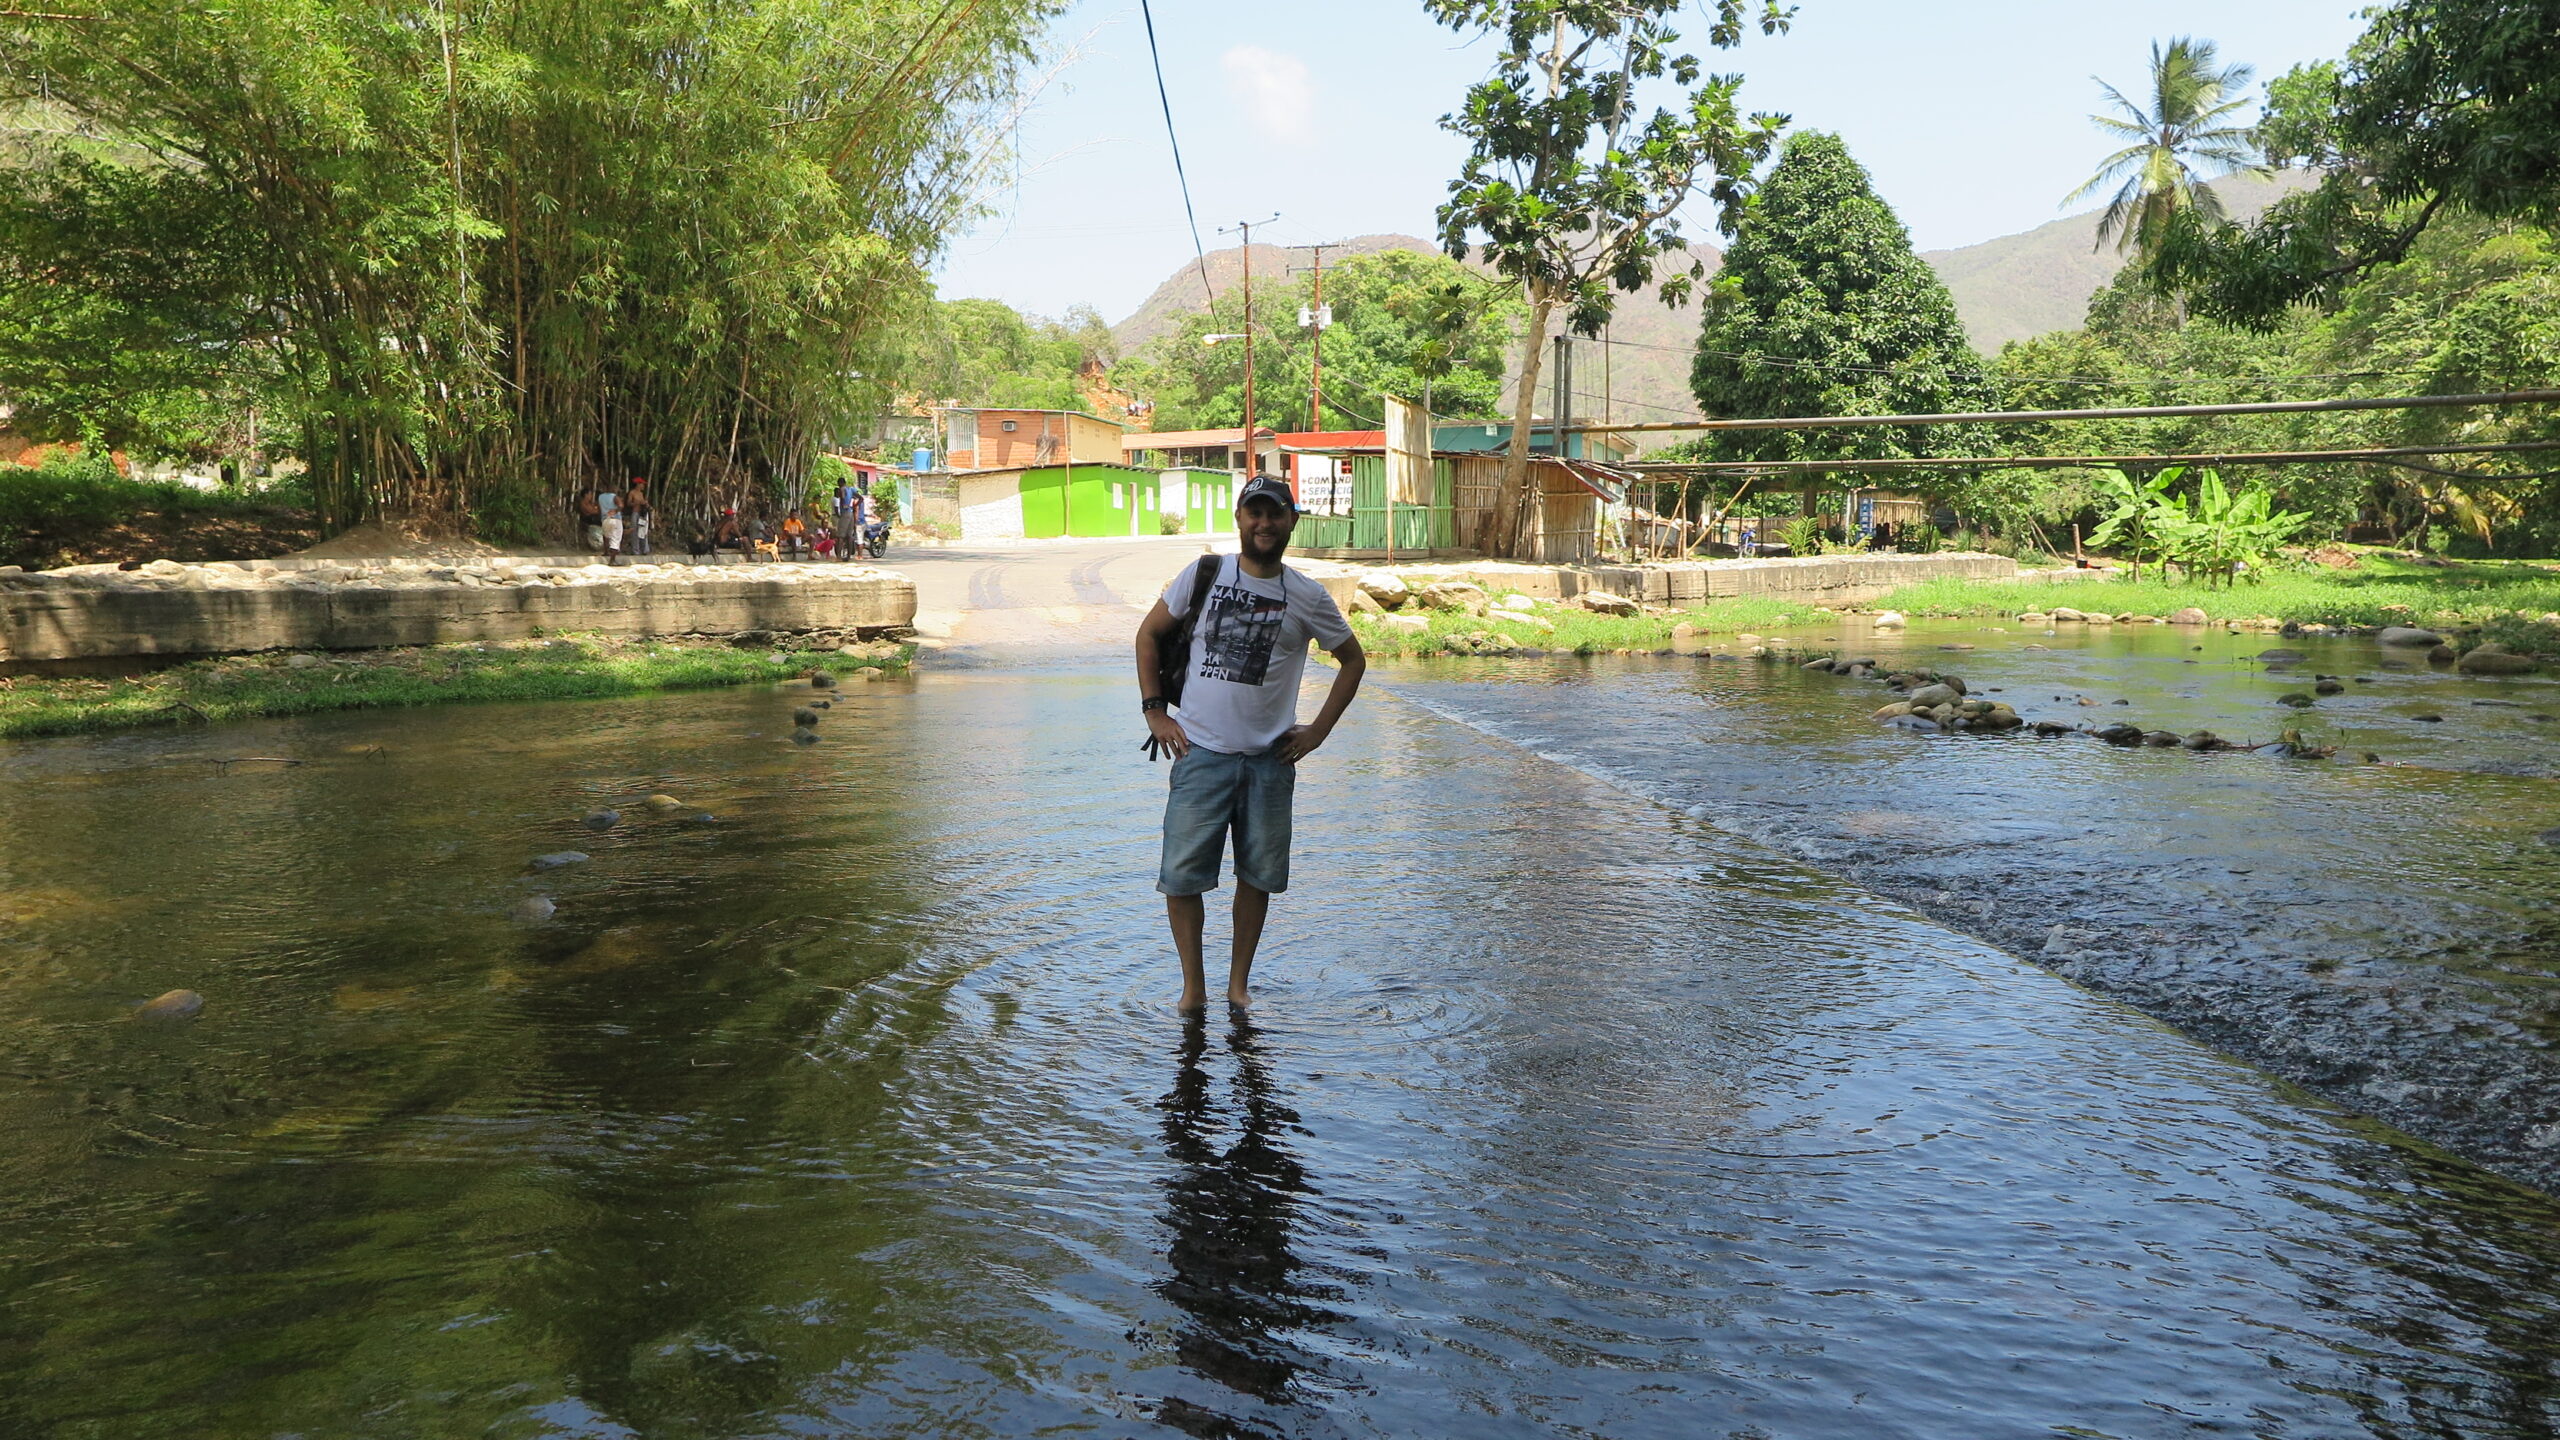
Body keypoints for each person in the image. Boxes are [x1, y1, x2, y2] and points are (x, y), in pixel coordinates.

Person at [1134, 476, 1366, 1013]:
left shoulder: (1308, 596)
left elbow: (1352, 661)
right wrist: (1154, 712)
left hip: (1269, 761)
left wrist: (1318, 731)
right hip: (1200, 755)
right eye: (1254, 513)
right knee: (1181, 877)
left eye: (1275, 514)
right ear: (1239, 517)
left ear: (1292, 522)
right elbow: (1148, 635)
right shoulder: (1204, 574)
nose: (1264, 524)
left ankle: (1238, 987)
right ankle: (1194, 988)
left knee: (1256, 877)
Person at [596, 481, 623, 562]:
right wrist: (615, 511)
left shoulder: (600, 497)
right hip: (615, 519)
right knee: (615, 539)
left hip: (604, 519)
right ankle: (612, 560)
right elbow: (621, 505)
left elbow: (599, 509)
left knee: (606, 536)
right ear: (613, 488)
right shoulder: (614, 497)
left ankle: (606, 552)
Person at [626, 479, 653, 556]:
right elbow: (628, 503)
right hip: (635, 513)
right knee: (634, 531)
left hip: (642, 514)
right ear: (638, 484)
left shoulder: (641, 494)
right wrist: (637, 503)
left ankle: (644, 549)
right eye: (642, 484)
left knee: (643, 531)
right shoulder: (632, 492)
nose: (643, 486)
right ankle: (635, 550)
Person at [576, 486, 604, 552]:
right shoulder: (583, 503)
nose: (591, 496)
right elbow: (592, 511)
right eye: (590, 494)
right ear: (586, 495)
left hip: (593, 518)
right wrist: (598, 509)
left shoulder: (590, 503)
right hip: (589, 520)